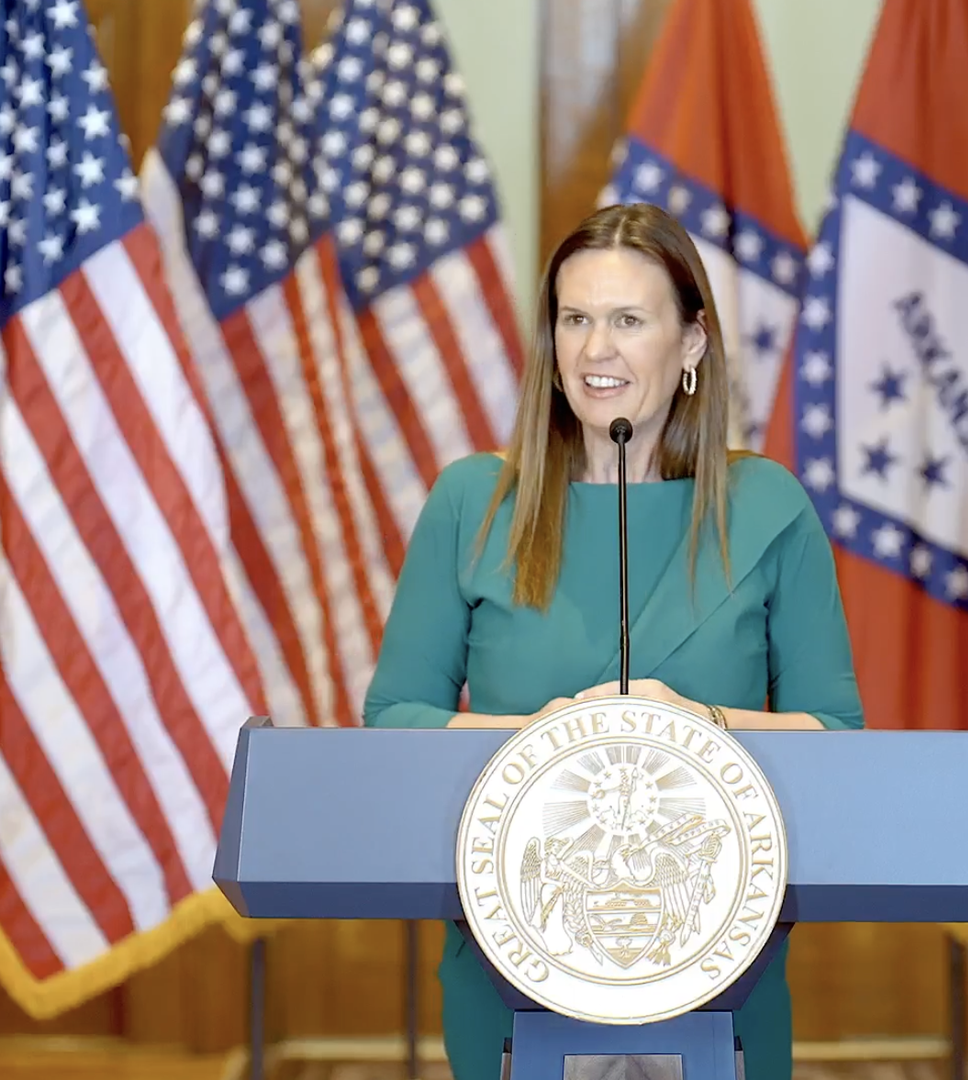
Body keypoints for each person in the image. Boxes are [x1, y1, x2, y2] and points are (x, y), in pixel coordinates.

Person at [361, 202, 864, 1080]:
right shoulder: (472, 503)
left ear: (692, 343)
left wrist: (693, 721)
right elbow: (395, 719)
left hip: (719, 969)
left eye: (629, 320)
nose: (597, 351)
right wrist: (553, 741)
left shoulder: (768, 507)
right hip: (508, 960)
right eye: (576, 319)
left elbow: (835, 736)